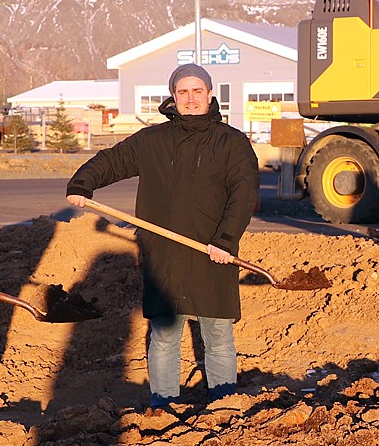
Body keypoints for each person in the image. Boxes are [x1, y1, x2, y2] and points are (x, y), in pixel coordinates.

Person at [66, 63, 259, 413]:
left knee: (218, 337)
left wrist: (226, 240)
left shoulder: (232, 143)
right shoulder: (152, 141)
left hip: (212, 254)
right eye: (183, 92)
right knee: (164, 337)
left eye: (197, 91)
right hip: (164, 256)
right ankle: (163, 408)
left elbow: (243, 196)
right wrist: (83, 183)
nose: (190, 98)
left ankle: (224, 408)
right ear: (173, 97)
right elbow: (113, 161)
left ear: (210, 94)